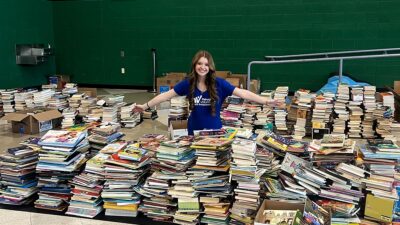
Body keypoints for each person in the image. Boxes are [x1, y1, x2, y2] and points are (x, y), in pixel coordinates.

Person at [134, 50, 276, 135]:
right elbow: (165, 95)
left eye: (206, 64)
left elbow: (243, 93)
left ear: (210, 66)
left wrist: (266, 101)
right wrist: (145, 106)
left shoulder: (219, 83)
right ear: (195, 65)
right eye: (199, 63)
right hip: (193, 131)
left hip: (214, 132)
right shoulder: (188, 83)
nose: (202, 67)